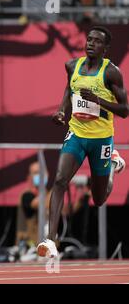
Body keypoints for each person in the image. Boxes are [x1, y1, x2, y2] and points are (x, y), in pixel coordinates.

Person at [37, 26, 128, 258]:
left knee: (98, 199)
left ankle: (111, 167)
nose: (90, 44)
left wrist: (98, 100)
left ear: (105, 49)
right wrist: (61, 112)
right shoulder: (72, 66)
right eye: (89, 40)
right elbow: (70, 88)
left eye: (97, 42)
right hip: (77, 133)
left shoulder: (111, 73)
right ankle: (50, 240)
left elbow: (125, 110)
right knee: (59, 180)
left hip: (101, 139)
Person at [15, 162, 50, 249]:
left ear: (47, 174)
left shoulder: (50, 195)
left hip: (49, 246)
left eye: (42, 172)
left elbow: (66, 212)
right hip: (30, 246)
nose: (40, 176)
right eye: (36, 173)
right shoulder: (27, 195)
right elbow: (38, 204)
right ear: (30, 177)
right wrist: (58, 187)